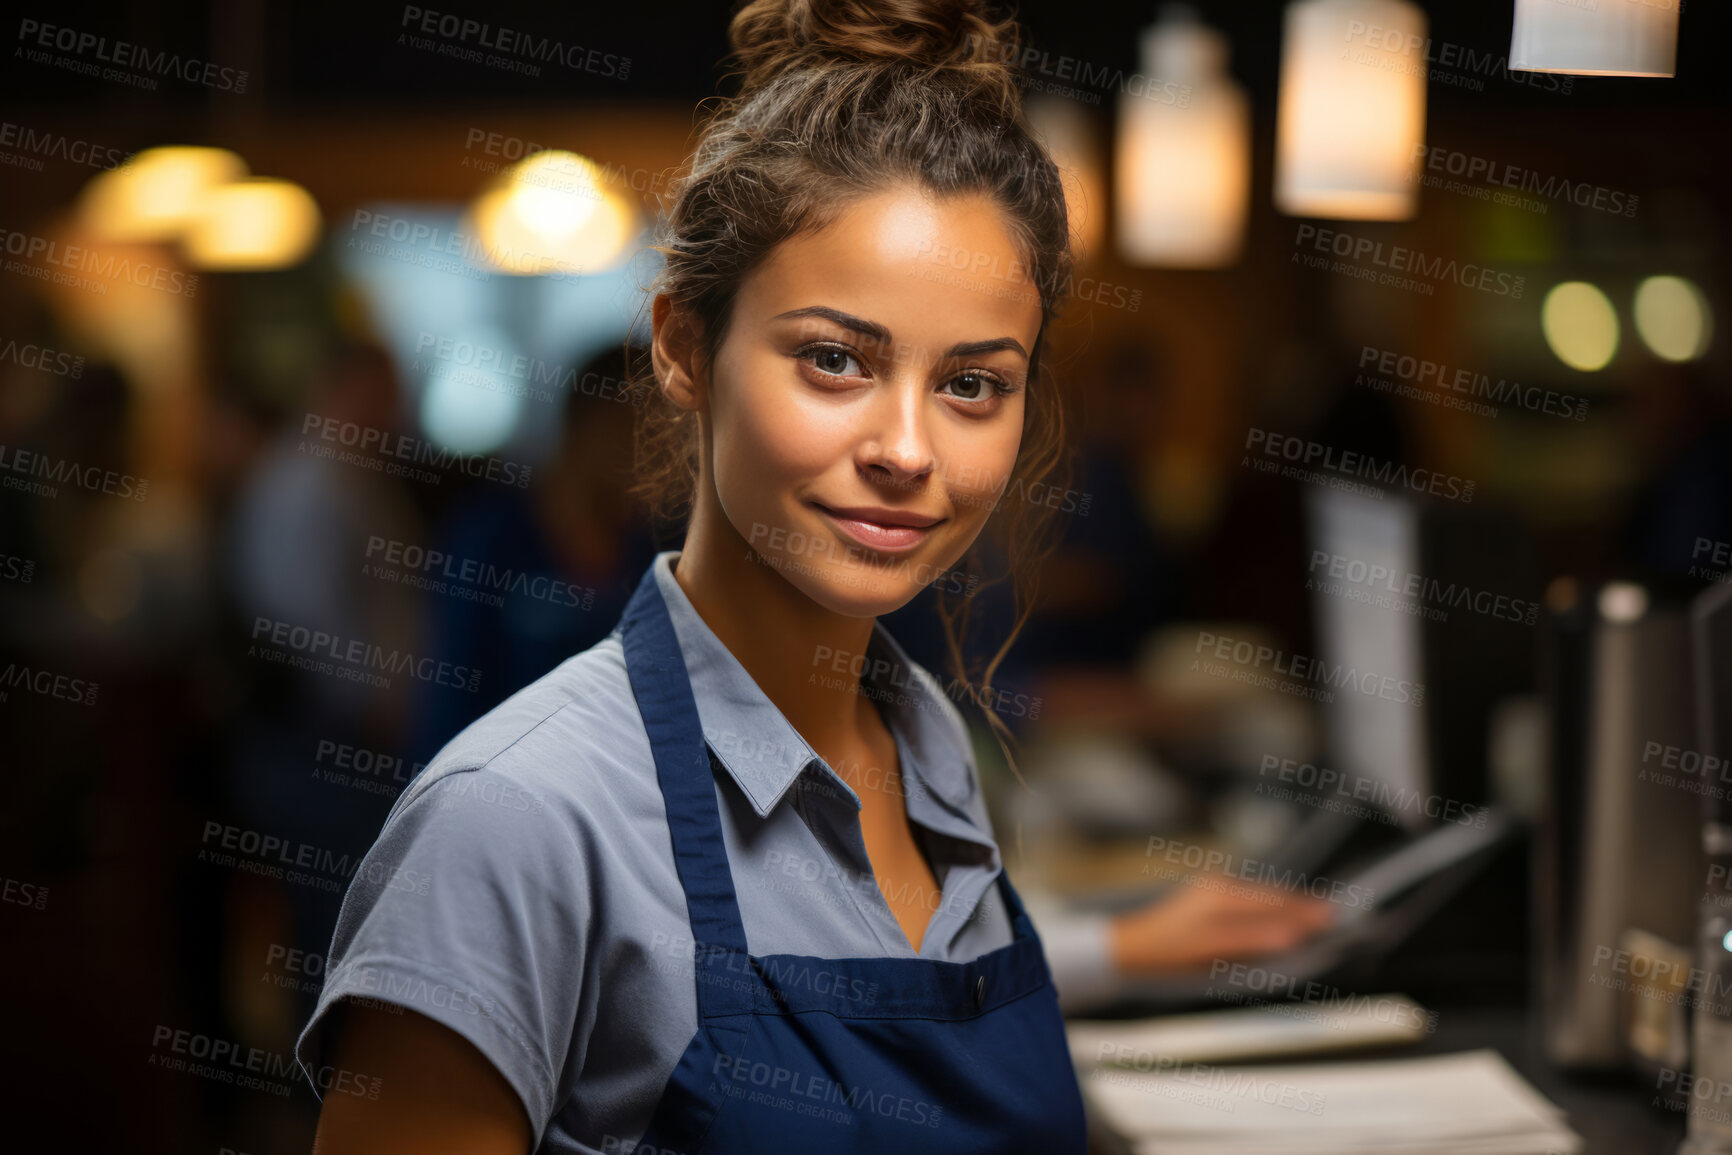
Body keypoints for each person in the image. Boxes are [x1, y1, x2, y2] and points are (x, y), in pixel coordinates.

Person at [294, 3, 1318, 1152]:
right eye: (835, 360)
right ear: (683, 348)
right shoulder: (512, 821)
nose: (908, 449)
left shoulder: (926, 748)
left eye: (973, 385)